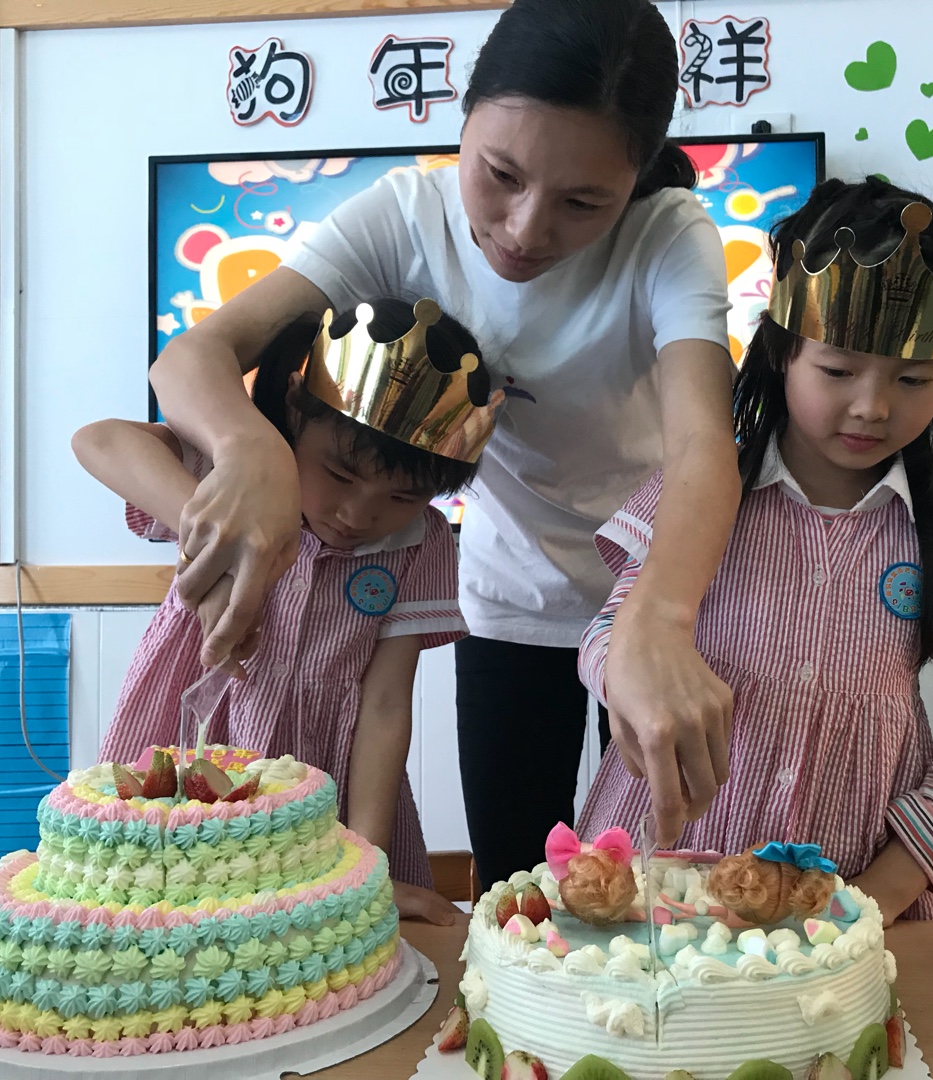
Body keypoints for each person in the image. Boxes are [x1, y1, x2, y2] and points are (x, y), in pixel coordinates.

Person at [146, 0, 742, 888]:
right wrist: (251, 450)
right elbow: (194, 357)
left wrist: (660, 615)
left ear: (636, 180)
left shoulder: (668, 236)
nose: (526, 230)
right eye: (500, 174)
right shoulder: (403, 217)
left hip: (662, 582)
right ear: (463, 120)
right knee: (516, 881)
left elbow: (703, 444)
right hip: (511, 596)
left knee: (665, 881)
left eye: (584, 203)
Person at [576, 176, 933, 924]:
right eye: (837, 371)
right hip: (671, 887)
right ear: (782, 353)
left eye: (914, 378)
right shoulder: (698, 496)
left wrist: (869, 902)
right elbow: (605, 638)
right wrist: (632, 676)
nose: (872, 406)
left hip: (860, 903)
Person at [74, 297, 498, 924]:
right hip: (199, 745)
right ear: (296, 408)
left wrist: (366, 864)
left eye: (403, 496)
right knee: (177, 922)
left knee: (316, 947)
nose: (357, 515)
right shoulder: (235, 484)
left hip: (329, 778)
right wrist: (217, 542)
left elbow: (386, 705)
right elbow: (99, 440)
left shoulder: (420, 543)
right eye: (340, 474)